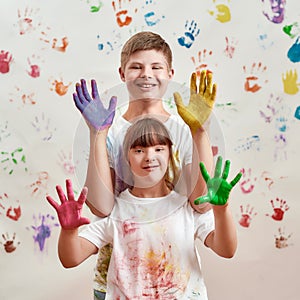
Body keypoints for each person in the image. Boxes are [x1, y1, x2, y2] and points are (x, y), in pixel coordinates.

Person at [73, 31, 216, 299]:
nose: (146, 74)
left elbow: (202, 202)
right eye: (136, 67)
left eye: (156, 67)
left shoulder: (184, 127)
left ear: (170, 73)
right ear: (121, 73)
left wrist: (200, 131)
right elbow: (102, 207)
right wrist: (97, 134)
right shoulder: (108, 127)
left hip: (173, 273)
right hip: (117, 274)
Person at [46, 117, 242, 300]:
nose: (149, 157)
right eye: (139, 150)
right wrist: (69, 231)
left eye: (158, 148)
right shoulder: (116, 210)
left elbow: (226, 249)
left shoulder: (185, 206)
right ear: (127, 158)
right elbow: (71, 258)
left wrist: (222, 209)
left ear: (170, 154)